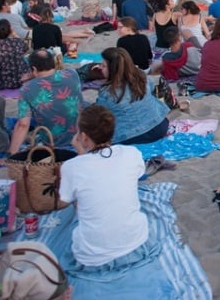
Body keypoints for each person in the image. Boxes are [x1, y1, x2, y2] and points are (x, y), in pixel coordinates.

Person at [59, 105, 156, 274]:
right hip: (135, 246)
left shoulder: (71, 166)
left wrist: (80, 151)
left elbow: (63, 201)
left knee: (74, 212)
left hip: (92, 257)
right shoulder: (131, 153)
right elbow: (137, 173)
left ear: (83, 136)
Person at [9, 49, 85, 153]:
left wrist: (11, 154)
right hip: (80, 136)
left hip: (54, 142)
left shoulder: (26, 90)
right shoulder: (72, 74)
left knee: (13, 124)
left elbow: (23, 125)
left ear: (34, 69)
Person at [96, 48, 169, 145]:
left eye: (103, 66)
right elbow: (151, 90)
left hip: (130, 137)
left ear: (113, 69)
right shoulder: (142, 77)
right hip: (159, 126)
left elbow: (101, 114)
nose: (100, 67)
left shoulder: (107, 93)